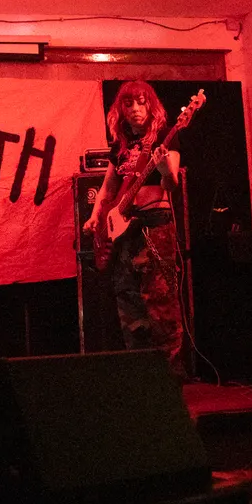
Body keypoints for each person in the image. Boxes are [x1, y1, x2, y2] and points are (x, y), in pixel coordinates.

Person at [83, 80, 186, 380]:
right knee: (128, 299)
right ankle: (140, 374)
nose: (135, 109)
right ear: (121, 110)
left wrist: (165, 170)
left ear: (151, 106)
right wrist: (94, 216)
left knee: (160, 299)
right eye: (129, 104)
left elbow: (171, 184)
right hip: (123, 231)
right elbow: (107, 188)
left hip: (154, 224)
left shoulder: (165, 138)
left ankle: (169, 376)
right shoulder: (121, 147)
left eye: (141, 102)